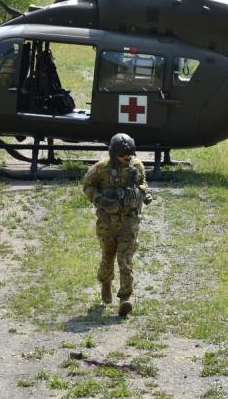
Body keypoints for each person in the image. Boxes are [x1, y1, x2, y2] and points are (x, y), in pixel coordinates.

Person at [82, 132, 153, 317]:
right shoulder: (101, 168)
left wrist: (144, 192)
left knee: (125, 260)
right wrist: (101, 200)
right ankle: (106, 282)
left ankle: (125, 299)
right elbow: (87, 186)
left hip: (129, 221)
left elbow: (142, 182)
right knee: (108, 257)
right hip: (108, 222)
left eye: (129, 154)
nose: (127, 158)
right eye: (123, 155)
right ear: (114, 154)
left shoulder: (136, 166)